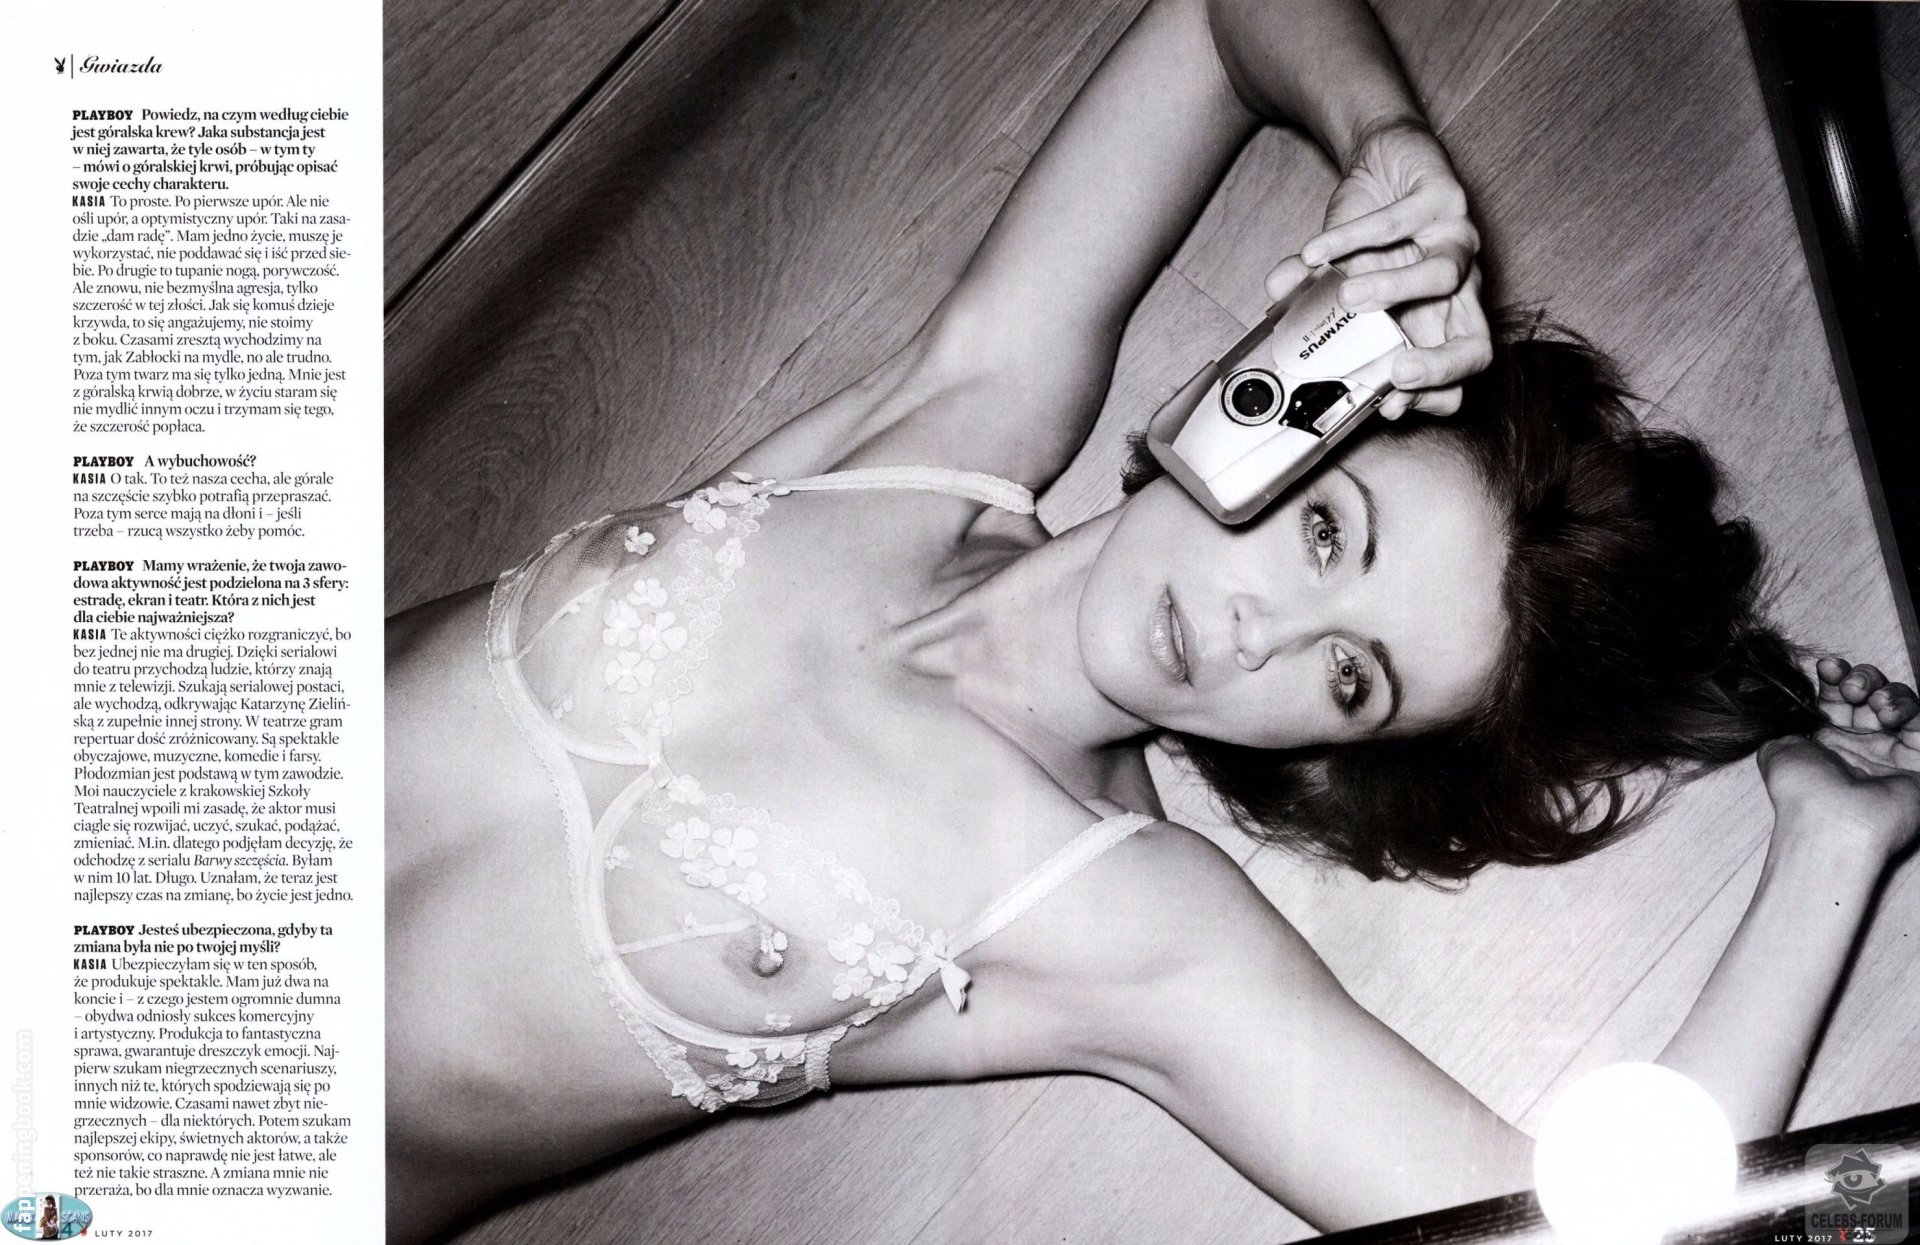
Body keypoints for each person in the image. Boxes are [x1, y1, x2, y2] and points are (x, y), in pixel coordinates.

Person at [384, 0, 1920, 1239]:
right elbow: (1215, 22)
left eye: (1354, 676)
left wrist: (1829, 854)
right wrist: (1386, 146)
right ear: (1271, 389)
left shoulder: (1121, 917)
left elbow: (1587, 1237)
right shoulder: (954, 421)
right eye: (1327, 529)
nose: (1263, 634)